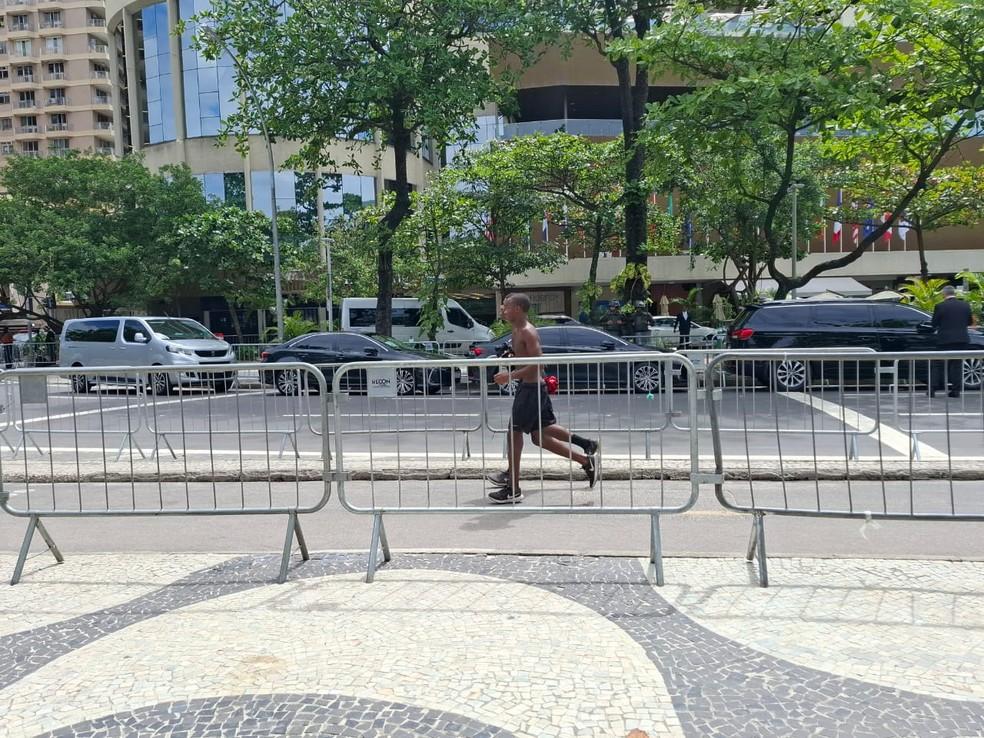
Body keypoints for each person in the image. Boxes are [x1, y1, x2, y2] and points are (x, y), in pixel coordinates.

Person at [487, 293, 599, 504]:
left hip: (531, 389)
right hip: (531, 387)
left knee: (514, 433)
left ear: (518, 309)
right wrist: (513, 357)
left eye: (506, 306)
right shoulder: (517, 329)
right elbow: (529, 359)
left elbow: (538, 363)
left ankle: (513, 487)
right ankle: (586, 454)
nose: (502, 309)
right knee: (541, 435)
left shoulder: (527, 331)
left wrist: (508, 376)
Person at [930, 285, 973, 398]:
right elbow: (969, 322)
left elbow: (934, 323)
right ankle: (955, 391)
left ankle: (933, 389)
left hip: (944, 340)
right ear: (954, 293)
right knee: (957, 365)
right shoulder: (965, 305)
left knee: (938, 364)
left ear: (944, 294)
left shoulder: (940, 306)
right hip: (961, 339)